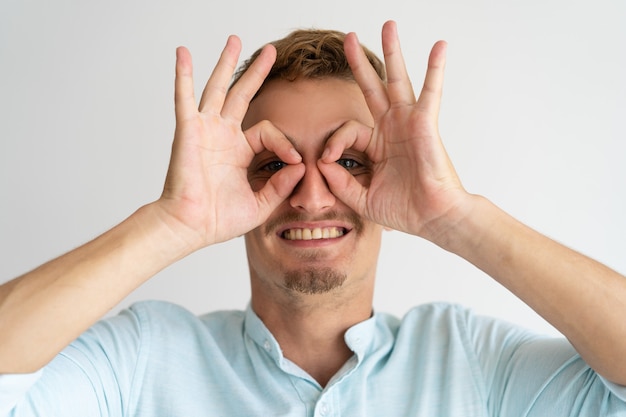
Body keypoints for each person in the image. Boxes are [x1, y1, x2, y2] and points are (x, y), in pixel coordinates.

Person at [1, 20, 625, 416]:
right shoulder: (142, 360)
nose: (311, 196)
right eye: (273, 162)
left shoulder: (473, 361)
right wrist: (174, 222)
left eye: (349, 160)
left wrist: (454, 217)